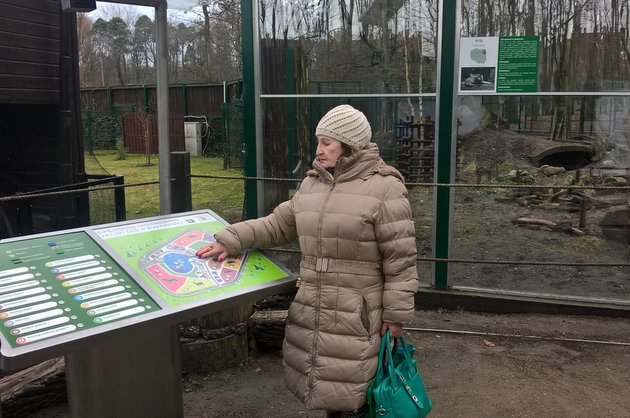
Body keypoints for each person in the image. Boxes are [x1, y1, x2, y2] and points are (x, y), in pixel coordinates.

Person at [197, 104, 418, 417]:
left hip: (358, 313)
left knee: (359, 395)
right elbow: (278, 224)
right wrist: (231, 238)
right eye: (319, 141)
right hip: (314, 305)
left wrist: (396, 314)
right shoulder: (313, 183)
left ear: (350, 146)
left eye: (327, 142)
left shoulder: (386, 188)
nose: (319, 149)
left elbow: (401, 257)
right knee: (330, 392)